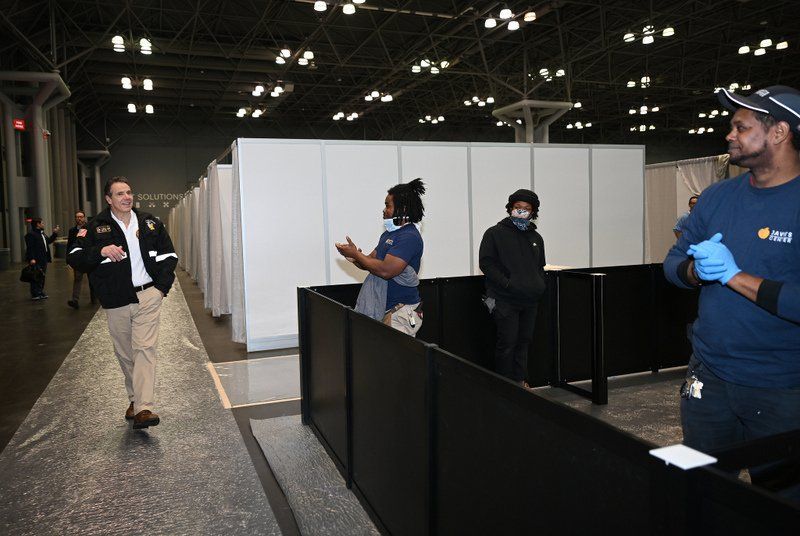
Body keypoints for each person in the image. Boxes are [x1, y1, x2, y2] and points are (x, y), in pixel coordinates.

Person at [663, 85, 800, 500]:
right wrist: (695, 271)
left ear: (778, 132)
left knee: (782, 502)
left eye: (740, 127)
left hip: (781, 388)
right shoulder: (718, 196)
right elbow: (672, 263)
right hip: (709, 378)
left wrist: (733, 275)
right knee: (702, 492)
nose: (729, 135)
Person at [68, 176, 178, 429]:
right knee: (125, 353)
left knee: (144, 350)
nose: (127, 197)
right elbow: (75, 257)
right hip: (116, 300)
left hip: (148, 296)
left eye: (129, 192)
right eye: (120, 194)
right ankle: (135, 398)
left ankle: (143, 407)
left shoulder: (150, 223)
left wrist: (160, 289)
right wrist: (101, 251)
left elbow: (169, 255)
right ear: (108, 199)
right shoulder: (95, 227)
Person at [335, 179, 426, 337]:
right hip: (382, 310)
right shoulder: (388, 235)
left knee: (394, 360)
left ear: (403, 208)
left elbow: (386, 270)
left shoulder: (409, 236)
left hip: (400, 312)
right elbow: (371, 262)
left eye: (388, 205)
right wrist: (355, 257)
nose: (384, 210)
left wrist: (357, 255)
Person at [479, 189, 546, 387]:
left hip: (530, 300)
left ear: (533, 213)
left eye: (527, 209)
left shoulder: (536, 238)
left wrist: (539, 285)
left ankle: (520, 381)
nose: (522, 212)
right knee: (507, 343)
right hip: (504, 299)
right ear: (510, 208)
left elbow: (540, 266)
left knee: (524, 342)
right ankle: (504, 386)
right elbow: (486, 263)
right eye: (518, 208)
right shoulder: (494, 233)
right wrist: (507, 283)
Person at [24, 218, 60, 300]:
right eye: (42, 223)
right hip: (36, 259)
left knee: (41, 276)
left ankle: (40, 292)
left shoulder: (42, 234)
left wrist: (55, 233)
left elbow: (49, 241)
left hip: (43, 258)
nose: (43, 224)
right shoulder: (31, 234)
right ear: (38, 224)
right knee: (35, 276)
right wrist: (32, 258)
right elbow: (30, 248)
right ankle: (35, 294)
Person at [66, 210, 95, 309]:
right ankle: (75, 300)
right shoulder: (72, 231)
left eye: (81, 217)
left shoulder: (90, 227)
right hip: (78, 258)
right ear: (75, 218)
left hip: (90, 257)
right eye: (77, 217)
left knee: (92, 279)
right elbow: (69, 245)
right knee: (77, 279)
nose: (79, 218)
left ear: (84, 217)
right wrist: (68, 260)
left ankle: (94, 298)